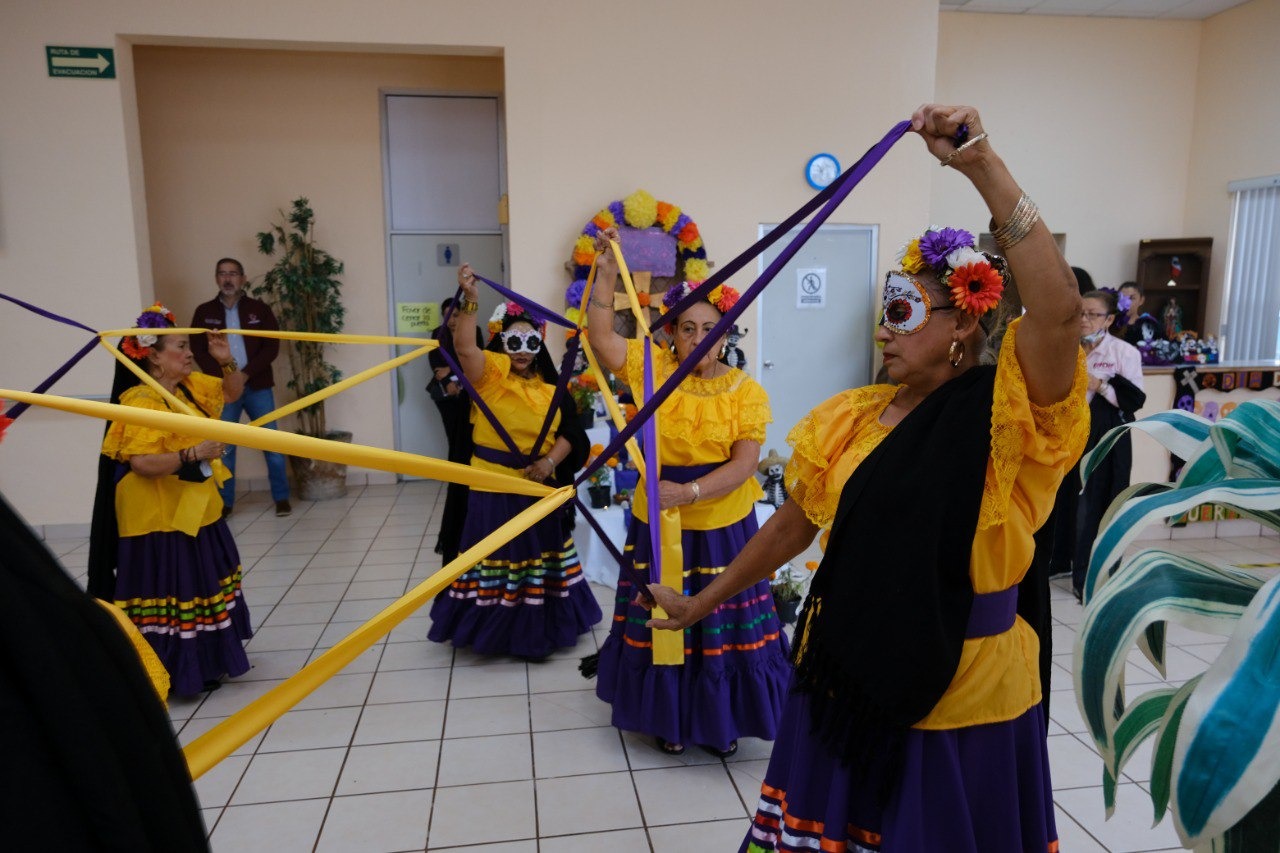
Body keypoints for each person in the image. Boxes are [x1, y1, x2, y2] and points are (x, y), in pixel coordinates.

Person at [648, 104, 1088, 851]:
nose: (885, 326)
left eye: (905, 310)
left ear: (961, 325)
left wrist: (979, 164)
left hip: (965, 691)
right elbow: (792, 525)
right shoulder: (851, 419)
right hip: (844, 675)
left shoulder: (1009, 418)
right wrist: (701, 601)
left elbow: (1059, 313)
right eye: (885, 309)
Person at [586, 231, 790, 758]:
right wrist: (607, 272)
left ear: (726, 335)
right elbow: (603, 337)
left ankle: (721, 721)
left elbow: (745, 465)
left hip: (724, 529)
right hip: (657, 523)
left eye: (710, 329)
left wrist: (690, 490)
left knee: (720, 621)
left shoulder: (746, 391)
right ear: (672, 333)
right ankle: (667, 718)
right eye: (688, 328)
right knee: (660, 617)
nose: (699, 338)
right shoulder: (650, 369)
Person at [427, 264, 598, 658]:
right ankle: (492, 631)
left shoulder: (549, 388)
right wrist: (470, 299)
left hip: (537, 488)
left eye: (530, 342)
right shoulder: (490, 375)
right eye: (513, 342)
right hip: (493, 487)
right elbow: (466, 349)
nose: (521, 351)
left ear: (540, 342)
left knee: (539, 560)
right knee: (498, 560)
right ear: (502, 340)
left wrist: (550, 463)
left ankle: (541, 629)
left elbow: (570, 433)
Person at [95, 303, 254, 697]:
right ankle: (175, 669)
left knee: (205, 584)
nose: (188, 353)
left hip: (196, 508)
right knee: (177, 590)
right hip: (159, 517)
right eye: (180, 346)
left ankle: (210, 659)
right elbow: (144, 462)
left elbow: (230, 394)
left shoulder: (188, 387)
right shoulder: (140, 401)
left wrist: (226, 360)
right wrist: (193, 454)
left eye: (188, 345)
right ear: (151, 355)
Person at [190, 257, 292, 517]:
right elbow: (198, 350)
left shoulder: (259, 309)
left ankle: (281, 498)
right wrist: (225, 378)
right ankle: (225, 504)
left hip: (257, 385)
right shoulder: (204, 312)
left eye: (233, 273)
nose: (228, 279)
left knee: (272, 444)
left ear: (243, 278)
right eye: (222, 273)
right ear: (216, 278)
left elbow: (271, 347)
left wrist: (244, 374)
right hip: (224, 390)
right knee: (225, 448)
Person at [1071, 289, 1145, 601]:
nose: (1085, 320)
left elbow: (1134, 400)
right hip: (1068, 434)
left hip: (1106, 437)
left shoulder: (1124, 354)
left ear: (1110, 319)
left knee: (1097, 504)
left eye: (1093, 314)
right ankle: (1060, 561)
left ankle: (1092, 575)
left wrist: (1099, 385)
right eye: (1081, 313)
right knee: (1067, 502)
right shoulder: (1066, 347)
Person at [427, 295, 485, 564]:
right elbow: (437, 370)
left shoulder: (474, 333)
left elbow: (477, 363)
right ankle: (457, 470)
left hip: (467, 394)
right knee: (455, 439)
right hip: (446, 397)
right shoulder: (437, 336)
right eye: (448, 314)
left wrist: (455, 375)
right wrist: (454, 376)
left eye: (456, 314)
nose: (452, 319)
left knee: (469, 436)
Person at [1116, 280, 1162, 346]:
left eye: (1132, 298)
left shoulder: (1149, 326)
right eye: (1122, 298)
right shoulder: (1111, 324)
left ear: (1141, 300)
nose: (1126, 302)